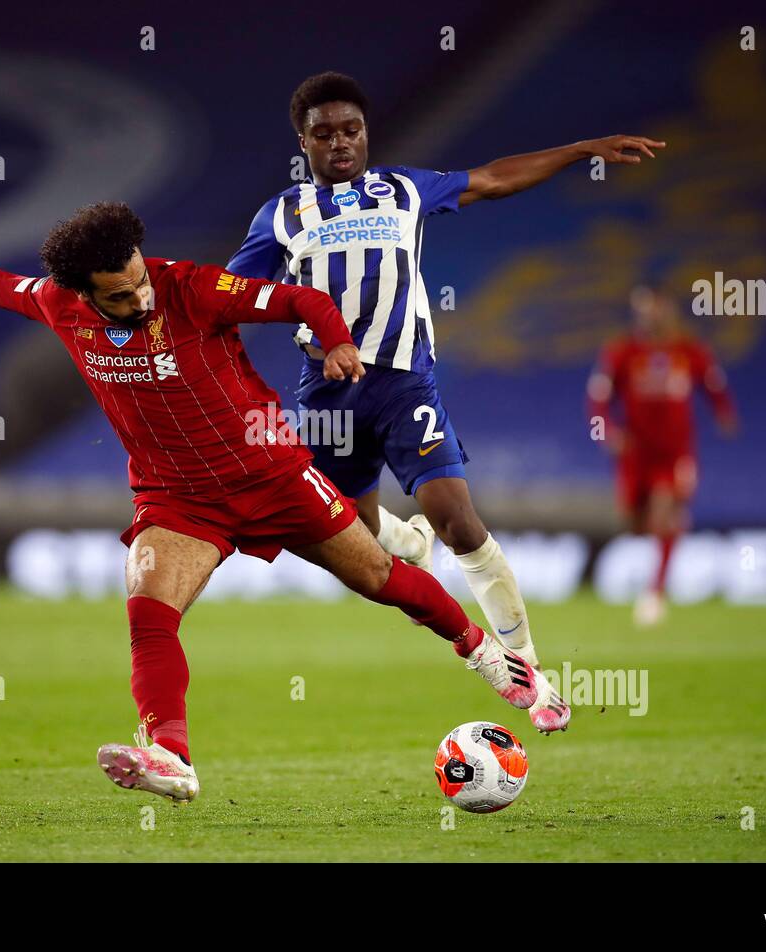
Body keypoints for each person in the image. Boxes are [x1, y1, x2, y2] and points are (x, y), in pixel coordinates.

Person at [0, 202, 555, 803]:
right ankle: (172, 757)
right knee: (148, 613)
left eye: (139, 280)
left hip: (270, 470)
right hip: (177, 496)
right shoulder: (55, 304)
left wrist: (335, 343)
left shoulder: (193, 289)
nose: (140, 298)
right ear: (83, 292)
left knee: (379, 579)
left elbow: (300, 299)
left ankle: (484, 654)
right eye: (119, 294)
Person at [227, 71, 664, 731]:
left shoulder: (403, 189)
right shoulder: (280, 215)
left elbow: (492, 178)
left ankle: (531, 674)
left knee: (457, 517)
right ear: (304, 143)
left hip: (404, 381)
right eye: (325, 134)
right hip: (327, 394)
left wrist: (578, 149)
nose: (341, 143)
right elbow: (230, 292)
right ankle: (407, 539)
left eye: (351, 130)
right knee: (350, 534)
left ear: (365, 132)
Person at [587, 285, 738, 626]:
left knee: (663, 514)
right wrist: (607, 431)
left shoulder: (689, 351)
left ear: (668, 309)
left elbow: (714, 385)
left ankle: (654, 594)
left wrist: (724, 413)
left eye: (654, 307)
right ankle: (671, 535)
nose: (649, 315)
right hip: (635, 454)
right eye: (642, 309)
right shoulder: (621, 352)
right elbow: (597, 399)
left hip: (675, 454)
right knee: (635, 522)